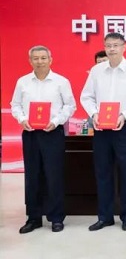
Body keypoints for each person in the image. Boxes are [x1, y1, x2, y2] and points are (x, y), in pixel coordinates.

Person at [80, 32, 126, 232]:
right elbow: (86, 96)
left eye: (116, 45)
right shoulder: (96, 71)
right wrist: (94, 114)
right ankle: (105, 217)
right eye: (108, 45)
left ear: (124, 47)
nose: (112, 49)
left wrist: (124, 115)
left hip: (124, 127)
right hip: (101, 128)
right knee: (103, 173)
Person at [11, 46, 76, 233]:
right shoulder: (23, 82)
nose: (39, 61)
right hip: (30, 133)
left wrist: (56, 121)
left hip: (52, 133)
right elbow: (15, 105)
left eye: (43, 58)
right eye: (36, 58)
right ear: (30, 61)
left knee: (54, 176)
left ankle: (56, 217)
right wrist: (22, 119)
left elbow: (70, 106)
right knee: (32, 176)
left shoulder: (61, 82)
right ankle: (34, 218)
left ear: (50, 60)